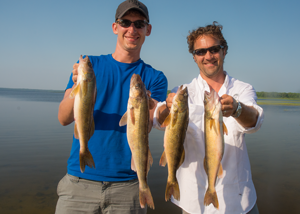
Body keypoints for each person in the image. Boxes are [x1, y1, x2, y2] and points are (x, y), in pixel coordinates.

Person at [55, 0, 168, 213]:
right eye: (125, 22)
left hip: (129, 186)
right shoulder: (90, 65)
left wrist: (162, 109)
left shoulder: (156, 78)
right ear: (115, 27)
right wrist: (78, 85)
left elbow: (151, 122)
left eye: (139, 24)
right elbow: (63, 118)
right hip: (79, 182)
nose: (132, 29)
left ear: (148, 30)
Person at [153, 22, 264, 214]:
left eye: (214, 49)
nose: (208, 56)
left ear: (224, 51)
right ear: (194, 57)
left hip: (239, 202)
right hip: (192, 202)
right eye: (200, 51)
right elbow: (157, 121)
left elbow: (255, 121)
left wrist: (238, 109)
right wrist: (166, 108)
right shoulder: (182, 92)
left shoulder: (242, 89)